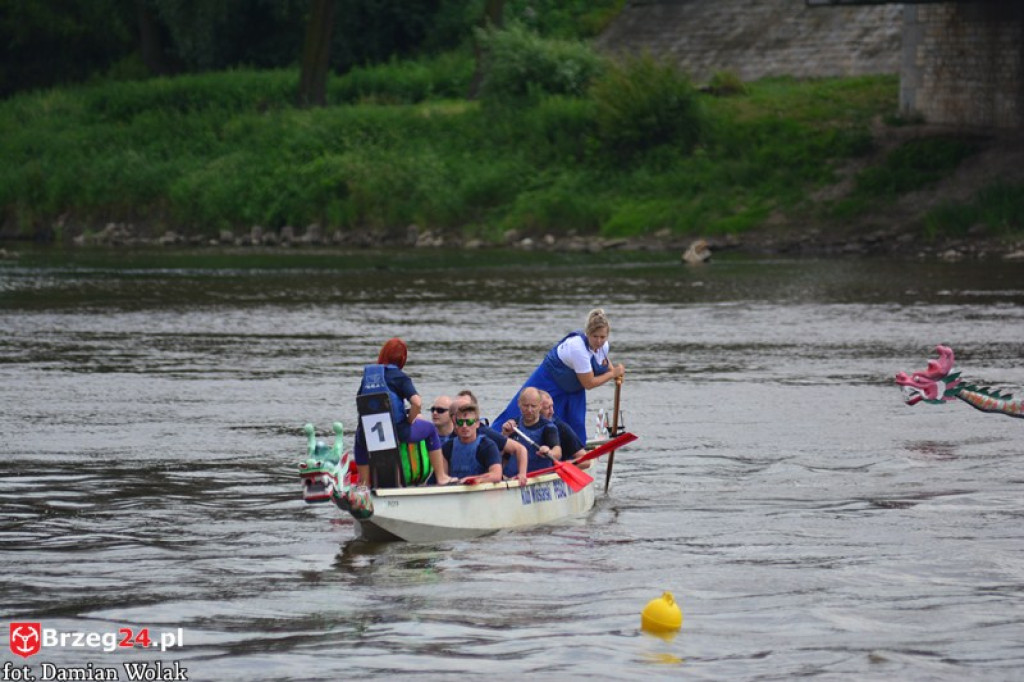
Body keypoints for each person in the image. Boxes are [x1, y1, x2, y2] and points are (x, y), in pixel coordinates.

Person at [492, 308, 625, 443]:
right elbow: (589, 383)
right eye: (595, 336)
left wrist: (613, 371)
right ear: (588, 334)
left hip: (573, 386)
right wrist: (613, 373)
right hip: (549, 379)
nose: (598, 341)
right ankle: (493, 439)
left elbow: (602, 360)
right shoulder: (578, 348)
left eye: (602, 337)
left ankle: (573, 451)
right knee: (524, 409)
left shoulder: (604, 346)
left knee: (575, 422)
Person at [353, 338, 452, 485]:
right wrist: (410, 420)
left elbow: (360, 402)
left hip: (368, 432)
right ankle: (442, 477)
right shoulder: (400, 377)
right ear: (402, 358)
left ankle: (364, 484)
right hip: (396, 431)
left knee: (359, 438)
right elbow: (417, 402)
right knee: (431, 429)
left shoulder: (367, 377)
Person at [453, 390, 528, 486]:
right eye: (458, 409)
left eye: (466, 409)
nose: (463, 412)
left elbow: (520, 449)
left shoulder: (485, 434)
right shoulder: (448, 440)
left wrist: (522, 474)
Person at [499, 387, 561, 476]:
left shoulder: (548, 427)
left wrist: (549, 452)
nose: (529, 410)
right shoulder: (513, 426)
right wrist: (504, 435)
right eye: (525, 405)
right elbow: (501, 455)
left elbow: (557, 451)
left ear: (540, 406)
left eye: (533, 406)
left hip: (538, 477)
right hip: (511, 478)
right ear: (519, 404)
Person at [441, 401, 503, 484]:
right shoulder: (447, 447)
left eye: (469, 422)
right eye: (460, 422)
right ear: (455, 424)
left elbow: (496, 475)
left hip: (480, 491)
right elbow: (442, 477)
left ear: (477, 424)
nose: (464, 426)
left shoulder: (487, 446)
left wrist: (475, 479)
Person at [537, 389, 588, 467]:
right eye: (547, 408)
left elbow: (586, 461)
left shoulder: (561, 428)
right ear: (535, 409)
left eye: (552, 406)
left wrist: (565, 465)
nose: (552, 412)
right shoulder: (521, 426)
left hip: (556, 470)